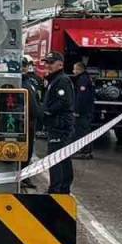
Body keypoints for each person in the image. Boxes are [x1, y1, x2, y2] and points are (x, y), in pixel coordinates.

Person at [38, 52, 76, 194]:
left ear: (60, 65)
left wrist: (47, 112)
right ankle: (63, 188)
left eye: (51, 63)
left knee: (55, 158)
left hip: (60, 125)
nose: (47, 65)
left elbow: (63, 101)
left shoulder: (62, 80)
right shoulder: (55, 79)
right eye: (46, 62)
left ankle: (56, 190)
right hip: (57, 124)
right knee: (62, 157)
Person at [71, 61, 95, 160]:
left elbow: (81, 96)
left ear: (79, 69)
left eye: (75, 69)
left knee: (82, 131)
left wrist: (77, 110)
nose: (73, 71)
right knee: (84, 129)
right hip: (86, 110)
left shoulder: (82, 79)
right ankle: (86, 151)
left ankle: (84, 151)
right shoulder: (85, 78)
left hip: (83, 111)